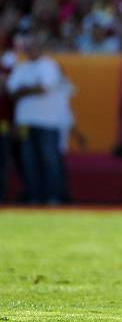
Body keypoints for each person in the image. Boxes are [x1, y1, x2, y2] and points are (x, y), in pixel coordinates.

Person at [6, 35, 66, 204]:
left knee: (50, 159)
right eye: (29, 47)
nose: (31, 50)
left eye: (34, 47)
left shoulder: (49, 65)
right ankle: (34, 196)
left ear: (40, 49)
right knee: (28, 160)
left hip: (47, 121)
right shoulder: (21, 67)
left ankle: (54, 197)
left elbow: (43, 87)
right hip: (25, 122)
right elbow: (11, 92)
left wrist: (24, 90)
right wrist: (30, 88)